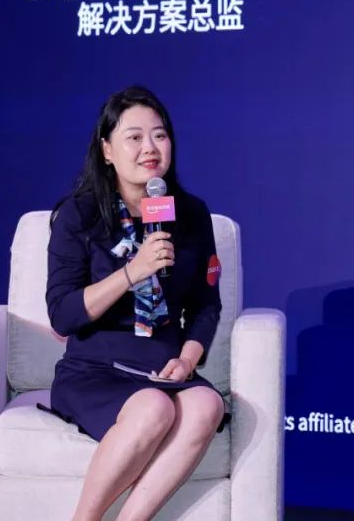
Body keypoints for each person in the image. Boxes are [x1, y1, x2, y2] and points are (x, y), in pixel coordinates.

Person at [44, 86, 226, 521]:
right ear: (107, 150)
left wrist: (187, 360)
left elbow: (206, 306)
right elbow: (63, 314)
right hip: (96, 369)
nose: (150, 148)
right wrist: (132, 272)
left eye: (160, 135)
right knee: (153, 407)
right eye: (134, 137)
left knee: (207, 404)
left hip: (162, 367)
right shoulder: (79, 216)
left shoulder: (191, 214)